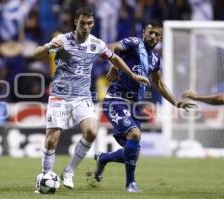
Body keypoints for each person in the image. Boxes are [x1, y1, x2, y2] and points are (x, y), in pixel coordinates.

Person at [33, 7, 150, 190]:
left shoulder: (96, 44)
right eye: (82, 23)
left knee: (91, 132)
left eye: (89, 23)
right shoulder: (63, 40)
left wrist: (132, 75)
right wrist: (49, 46)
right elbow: (36, 54)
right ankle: (45, 175)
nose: (86, 27)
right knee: (51, 140)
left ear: (93, 24)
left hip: (82, 96)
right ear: (76, 23)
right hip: (60, 96)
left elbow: (115, 58)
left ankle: (69, 171)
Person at [93, 22, 196, 192]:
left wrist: (176, 102)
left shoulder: (155, 59)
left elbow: (160, 85)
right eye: (150, 33)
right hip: (116, 99)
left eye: (157, 34)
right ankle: (130, 184)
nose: (153, 37)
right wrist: (113, 66)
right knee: (135, 133)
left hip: (134, 105)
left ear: (160, 38)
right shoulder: (134, 43)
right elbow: (111, 47)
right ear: (144, 33)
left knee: (132, 153)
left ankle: (103, 158)